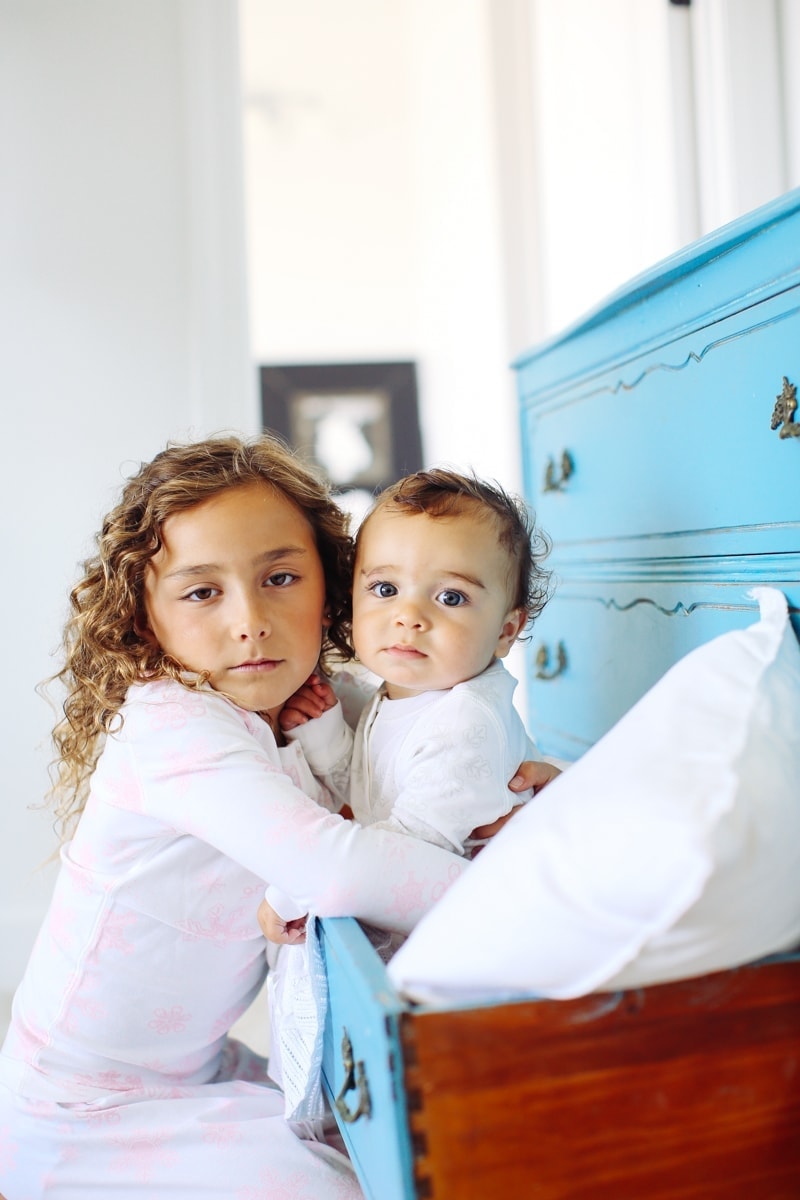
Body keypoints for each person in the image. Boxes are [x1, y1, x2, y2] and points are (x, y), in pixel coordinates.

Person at [0, 435, 547, 1200]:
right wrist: (541, 888)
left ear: (332, 587)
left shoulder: (308, 698)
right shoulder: (171, 727)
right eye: (201, 593)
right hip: (87, 1106)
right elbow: (336, 868)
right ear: (144, 617)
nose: (250, 621)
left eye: (281, 577)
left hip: (200, 1064)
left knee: (398, 1148)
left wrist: (537, 793)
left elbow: (432, 745)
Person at [262, 469, 557, 1114]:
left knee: (398, 1095)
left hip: (442, 961)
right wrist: (324, 734)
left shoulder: (465, 724)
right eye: (386, 588)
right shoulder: (402, 698)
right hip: (399, 927)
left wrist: (293, 882)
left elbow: (406, 847)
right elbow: (372, 791)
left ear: (508, 630)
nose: (409, 617)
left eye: (450, 598)